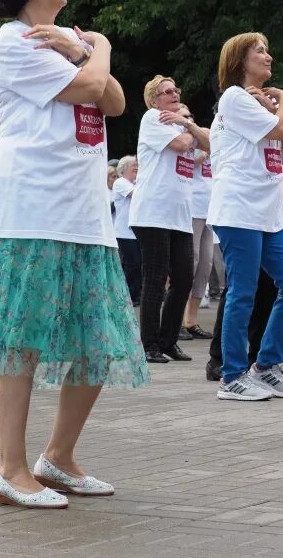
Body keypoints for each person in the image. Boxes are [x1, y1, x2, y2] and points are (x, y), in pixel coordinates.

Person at [0, 0, 148, 508]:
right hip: (30, 209)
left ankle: (59, 457)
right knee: (21, 339)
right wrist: (96, 46)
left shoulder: (72, 40)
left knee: (97, 339)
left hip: (83, 213)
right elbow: (97, 85)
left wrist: (85, 44)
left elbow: (117, 103)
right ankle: (10, 467)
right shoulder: (11, 42)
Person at [208, 32, 283, 401]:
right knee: (243, 292)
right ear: (239, 62)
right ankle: (231, 376)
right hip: (238, 208)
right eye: (260, 51)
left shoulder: (257, 102)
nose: (268, 56)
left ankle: (265, 365)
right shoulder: (234, 97)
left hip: (266, 214)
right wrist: (279, 100)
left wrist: (271, 104)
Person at [129, 75, 209, 363]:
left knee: (184, 278)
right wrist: (189, 127)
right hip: (153, 212)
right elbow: (180, 145)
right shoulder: (153, 118)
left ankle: (168, 340)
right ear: (155, 101)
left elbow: (212, 144)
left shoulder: (181, 124)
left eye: (176, 90)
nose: (173, 94)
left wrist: (187, 123)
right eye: (166, 92)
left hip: (180, 215)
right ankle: (149, 344)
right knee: (155, 278)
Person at [181, 104, 214, 340]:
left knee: (206, 264)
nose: (188, 119)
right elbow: (195, 160)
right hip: (191, 208)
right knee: (188, 262)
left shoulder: (201, 136)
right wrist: (204, 147)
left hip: (209, 209)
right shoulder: (182, 141)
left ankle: (191, 320)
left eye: (190, 116)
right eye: (184, 116)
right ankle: (178, 318)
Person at [111, 155, 141, 305]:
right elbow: (137, 196)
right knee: (132, 264)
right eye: (133, 165)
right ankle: (128, 295)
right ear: (123, 169)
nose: (136, 167)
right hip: (124, 232)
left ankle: (135, 295)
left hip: (136, 233)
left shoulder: (136, 183)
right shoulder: (120, 182)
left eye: (137, 165)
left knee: (137, 264)